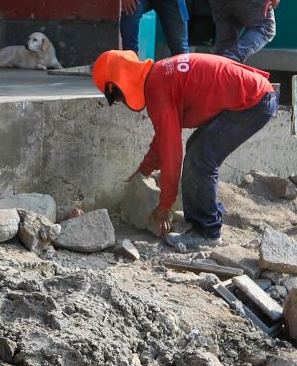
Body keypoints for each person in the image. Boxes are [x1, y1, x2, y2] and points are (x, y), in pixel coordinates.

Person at [93, 48, 278, 248]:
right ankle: (209, 213)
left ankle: (207, 231)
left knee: (200, 159)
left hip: (253, 101)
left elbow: (171, 154)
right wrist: (144, 170)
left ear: (116, 86)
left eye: (115, 98)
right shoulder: (158, 76)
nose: (120, 102)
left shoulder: (157, 89)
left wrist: (164, 206)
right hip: (255, 95)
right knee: (198, 149)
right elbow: (164, 138)